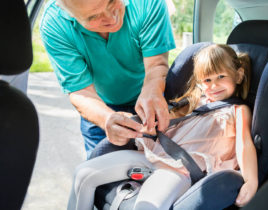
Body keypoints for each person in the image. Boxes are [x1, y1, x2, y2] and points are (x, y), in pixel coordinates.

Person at [68, 44, 258, 210]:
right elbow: (170, 125)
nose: (214, 85)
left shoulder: (237, 110)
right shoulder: (194, 102)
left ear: (238, 75)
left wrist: (251, 181)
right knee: (83, 174)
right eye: (207, 80)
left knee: (146, 207)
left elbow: (244, 145)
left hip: (180, 169)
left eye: (221, 76)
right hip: (153, 154)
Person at [39, 0, 176, 157]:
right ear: (69, 13)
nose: (112, 19)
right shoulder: (55, 25)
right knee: (102, 174)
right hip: (99, 108)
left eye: (112, 1)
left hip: (151, 98)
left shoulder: (148, 3)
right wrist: (106, 119)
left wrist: (153, 91)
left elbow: (156, 65)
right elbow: (81, 92)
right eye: (94, 16)